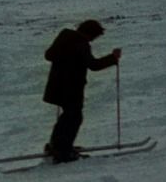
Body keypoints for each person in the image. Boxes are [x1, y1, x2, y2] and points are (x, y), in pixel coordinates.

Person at [42, 19, 121, 163]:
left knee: (68, 117)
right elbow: (93, 65)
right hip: (71, 87)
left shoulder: (64, 35)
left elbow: (49, 55)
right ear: (90, 34)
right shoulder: (81, 43)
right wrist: (113, 58)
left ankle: (57, 146)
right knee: (74, 117)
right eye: (95, 36)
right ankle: (63, 151)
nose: (93, 39)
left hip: (56, 85)